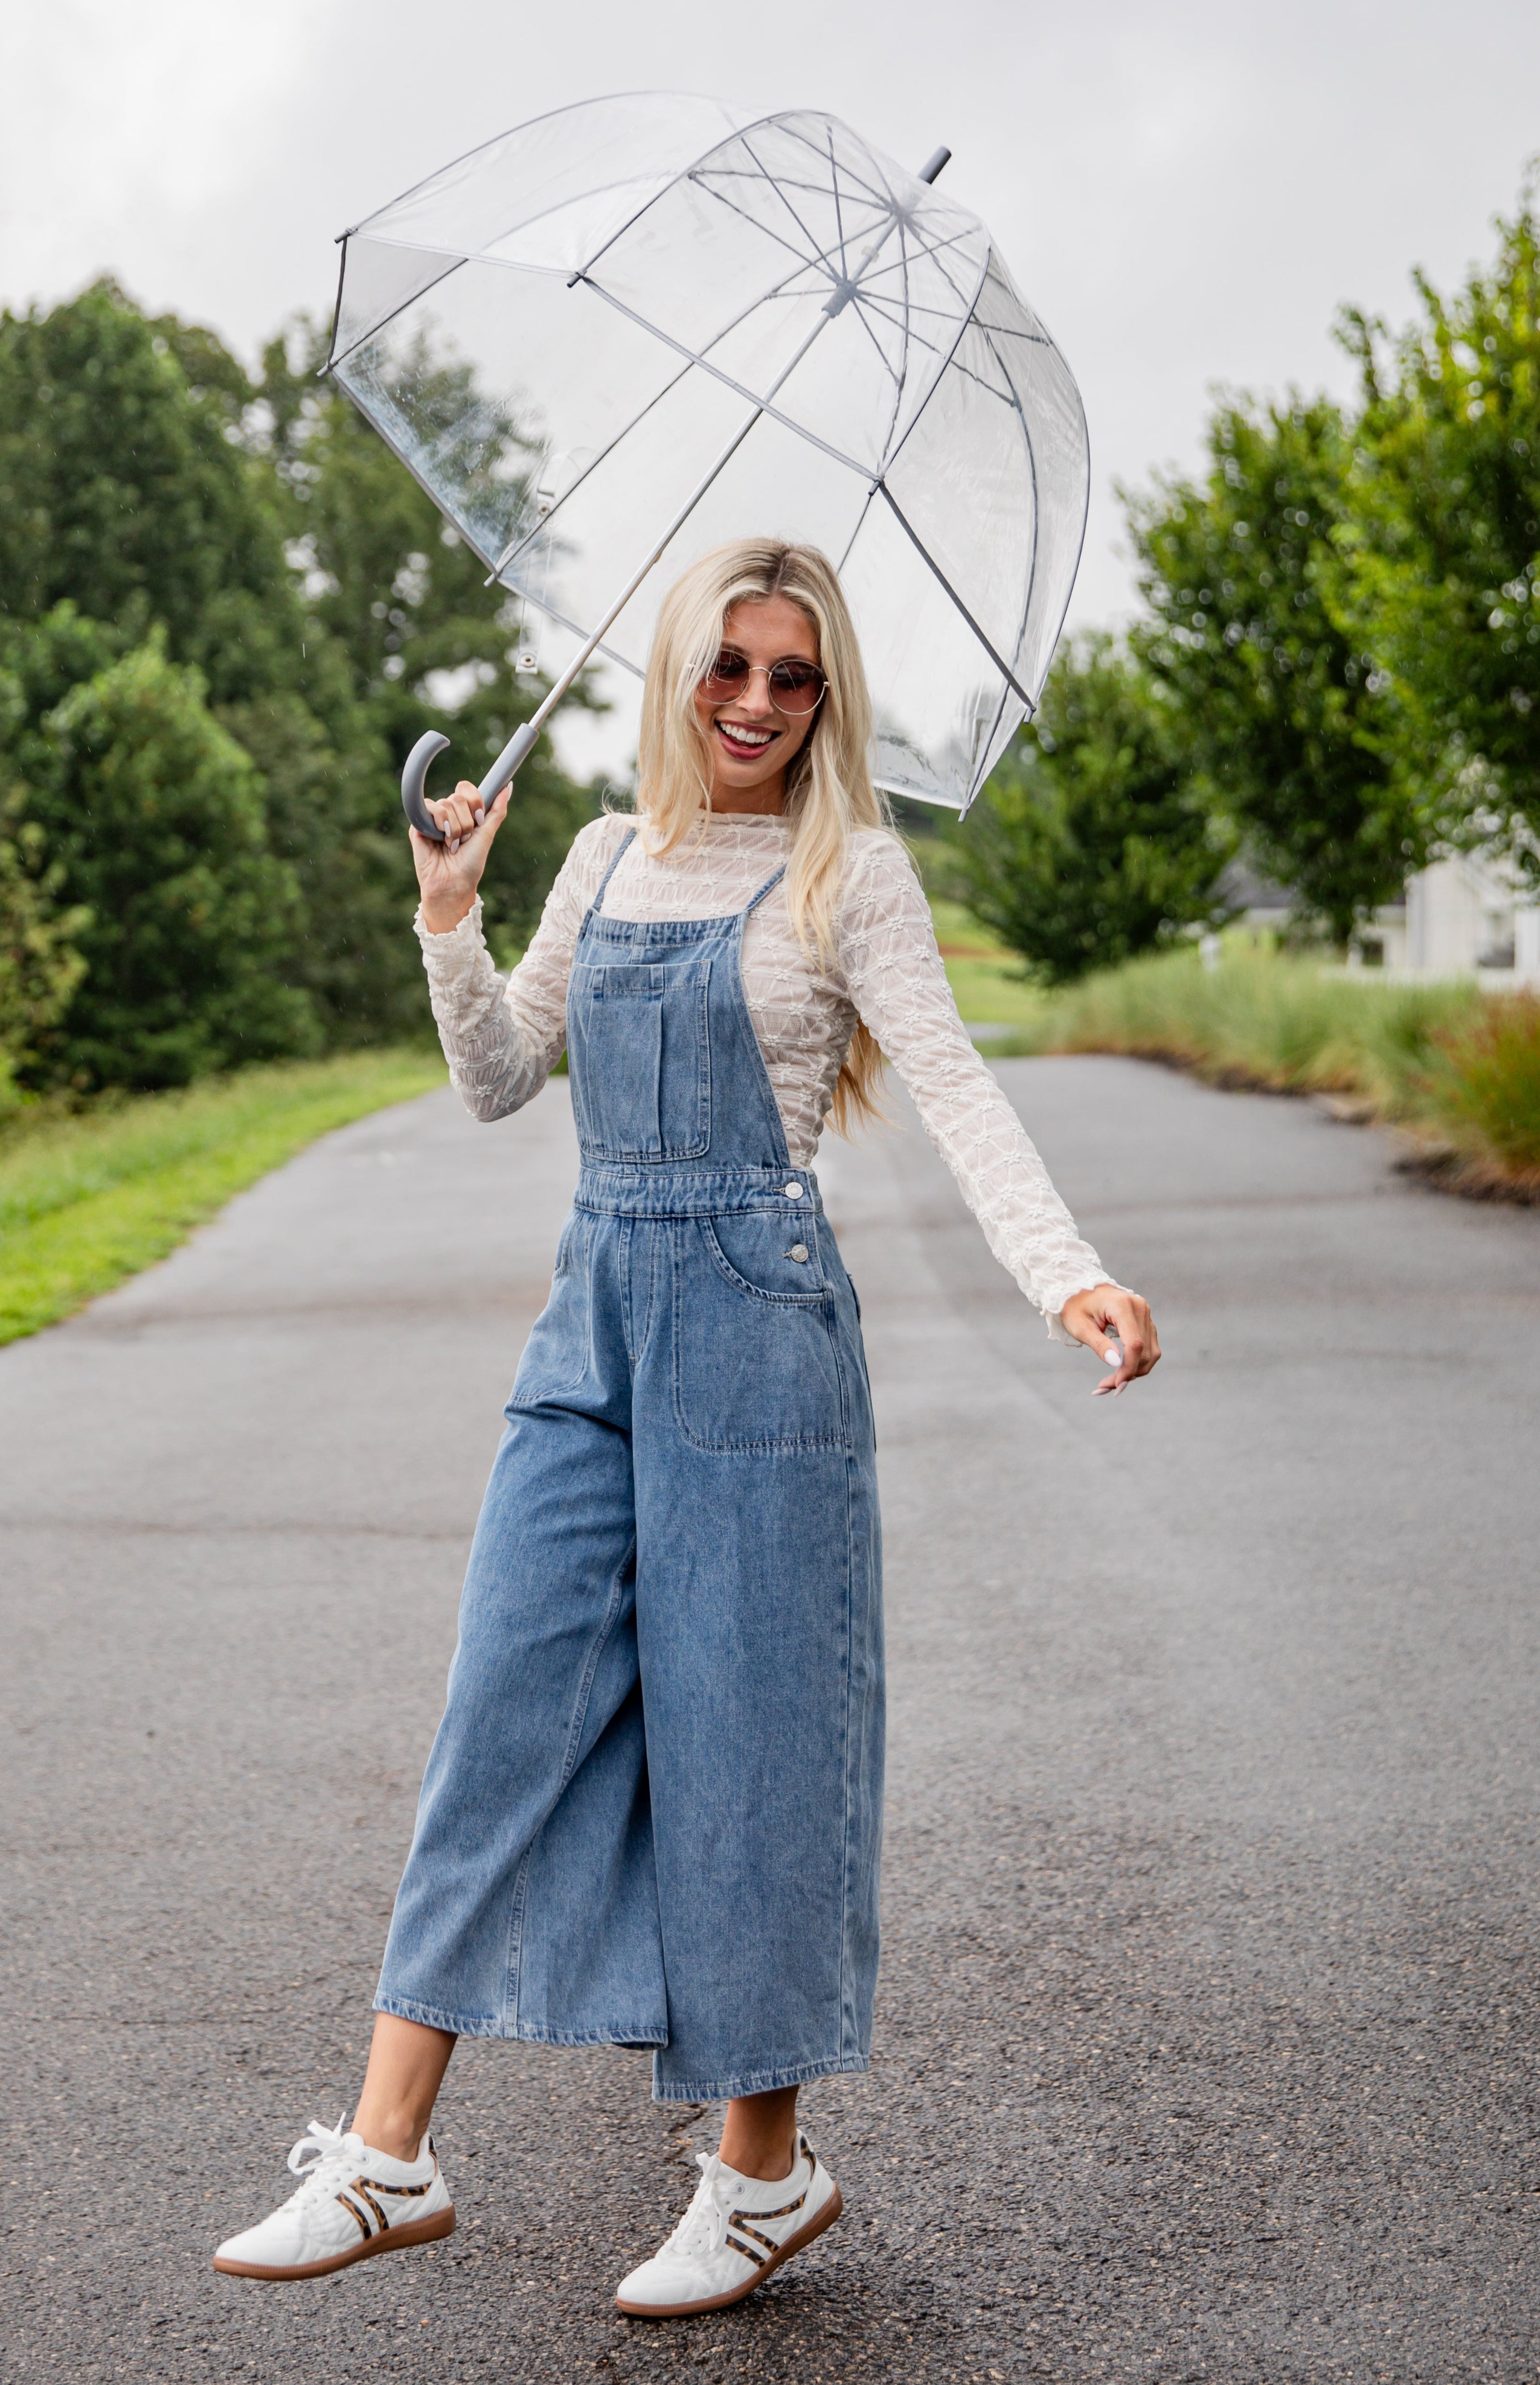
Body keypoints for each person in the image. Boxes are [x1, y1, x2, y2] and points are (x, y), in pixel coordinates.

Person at [213, 539, 1159, 2313]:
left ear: (827, 699)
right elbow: (502, 1077)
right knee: (502, 1695)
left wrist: (1066, 1274)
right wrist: (447, 913)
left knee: (753, 1740)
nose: (751, 703)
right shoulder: (600, 851)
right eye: (727, 665)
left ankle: (760, 2171)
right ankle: (385, 2154)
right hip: (594, 1315)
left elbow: (950, 1082)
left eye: (790, 678)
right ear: (676, 672)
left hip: (758, 1323)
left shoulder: (850, 872)